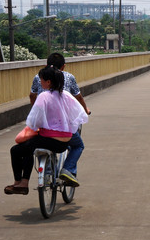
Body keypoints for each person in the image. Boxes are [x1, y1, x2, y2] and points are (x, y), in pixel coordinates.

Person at [6, 65, 89, 195]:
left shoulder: (44, 96)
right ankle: (66, 169)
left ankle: (21, 182)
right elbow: (79, 114)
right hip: (65, 141)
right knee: (77, 145)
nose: (40, 82)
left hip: (49, 139)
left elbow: (34, 120)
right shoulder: (66, 95)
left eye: (42, 79)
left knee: (17, 150)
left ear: (48, 82)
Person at [30, 52, 90, 187]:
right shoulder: (68, 77)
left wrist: (35, 110)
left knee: (40, 142)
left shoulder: (38, 77)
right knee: (77, 145)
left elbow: (32, 95)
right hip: (62, 125)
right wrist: (85, 109)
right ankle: (67, 169)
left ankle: (47, 173)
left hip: (44, 123)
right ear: (63, 67)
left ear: (46, 64)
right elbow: (77, 97)